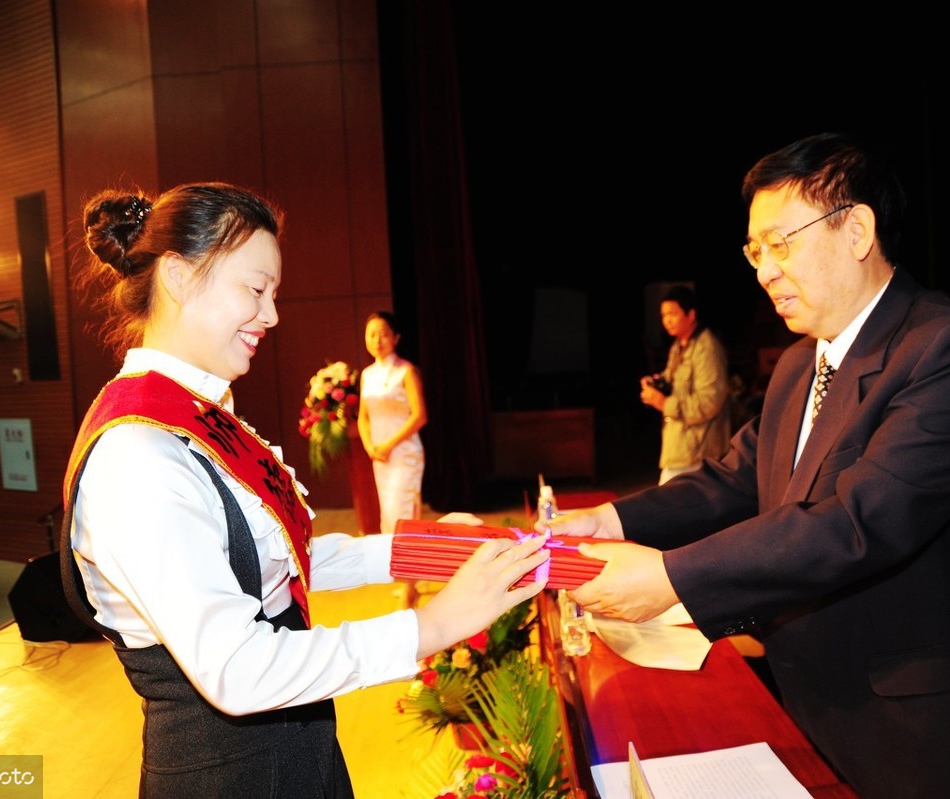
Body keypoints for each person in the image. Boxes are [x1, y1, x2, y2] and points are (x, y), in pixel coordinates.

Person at [549, 134, 950, 798]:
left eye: (780, 243)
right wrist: (611, 520)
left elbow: (857, 521)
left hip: (928, 729)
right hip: (809, 696)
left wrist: (672, 576)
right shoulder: (800, 362)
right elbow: (735, 478)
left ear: (857, 230)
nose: (763, 271)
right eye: (754, 251)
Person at [61, 182, 548, 798]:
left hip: (296, 751)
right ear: (180, 277)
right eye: (256, 289)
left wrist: (426, 549)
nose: (271, 314)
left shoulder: (194, 418)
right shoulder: (139, 454)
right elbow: (237, 669)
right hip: (229, 777)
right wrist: (434, 624)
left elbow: (280, 563)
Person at [640, 284, 734, 484]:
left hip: (698, 450)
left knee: (666, 506)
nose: (667, 321)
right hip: (681, 446)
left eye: (673, 314)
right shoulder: (679, 346)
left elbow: (709, 403)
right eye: (664, 315)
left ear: (690, 315)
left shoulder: (707, 349)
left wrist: (665, 403)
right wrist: (656, 384)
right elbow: (672, 380)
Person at [357, 311, 426, 534]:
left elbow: (420, 416)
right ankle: (391, 564)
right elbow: (363, 417)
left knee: (401, 511)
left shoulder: (406, 371)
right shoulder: (367, 374)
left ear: (395, 338)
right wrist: (370, 448)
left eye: (383, 334)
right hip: (380, 456)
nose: (377, 340)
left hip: (404, 453)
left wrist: (389, 445)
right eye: (372, 334)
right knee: (388, 513)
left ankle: (407, 562)